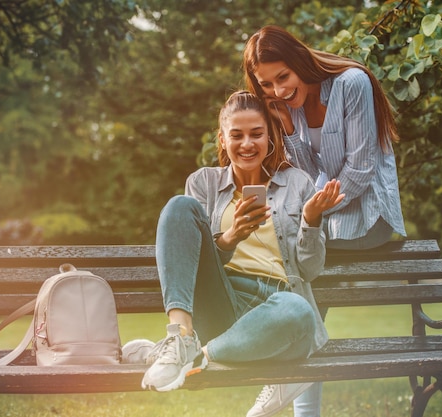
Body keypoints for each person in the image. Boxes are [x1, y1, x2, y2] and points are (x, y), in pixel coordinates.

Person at [140, 90, 344, 417]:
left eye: (256, 134)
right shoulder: (203, 183)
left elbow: (310, 270)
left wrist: (311, 220)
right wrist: (230, 237)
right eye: (236, 135)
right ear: (222, 140)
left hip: (278, 305)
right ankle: (179, 339)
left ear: (270, 139)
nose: (247, 143)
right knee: (179, 205)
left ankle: (198, 355)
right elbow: (193, 262)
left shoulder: (298, 183)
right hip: (225, 299)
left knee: (299, 309)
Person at [242, 25, 407, 416]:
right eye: (267, 84)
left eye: (283, 77)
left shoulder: (352, 83)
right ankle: (294, 396)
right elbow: (307, 171)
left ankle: (280, 383)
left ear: (299, 61)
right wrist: (286, 126)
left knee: (296, 262)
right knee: (303, 283)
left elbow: (362, 169)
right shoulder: (292, 106)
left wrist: (309, 216)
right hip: (330, 221)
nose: (279, 91)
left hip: (370, 217)